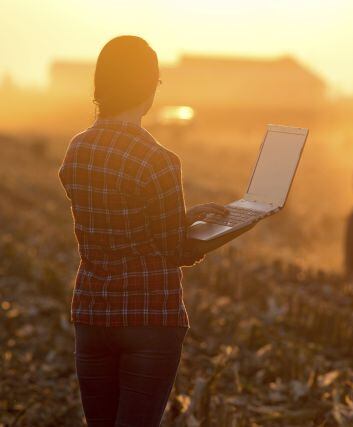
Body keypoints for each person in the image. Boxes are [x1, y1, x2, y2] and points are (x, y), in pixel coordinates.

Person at [58, 36, 227, 426]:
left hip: (92, 315)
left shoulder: (76, 150)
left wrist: (185, 215)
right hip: (149, 318)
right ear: (149, 89)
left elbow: (119, 219)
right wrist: (225, 229)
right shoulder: (158, 160)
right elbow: (175, 251)